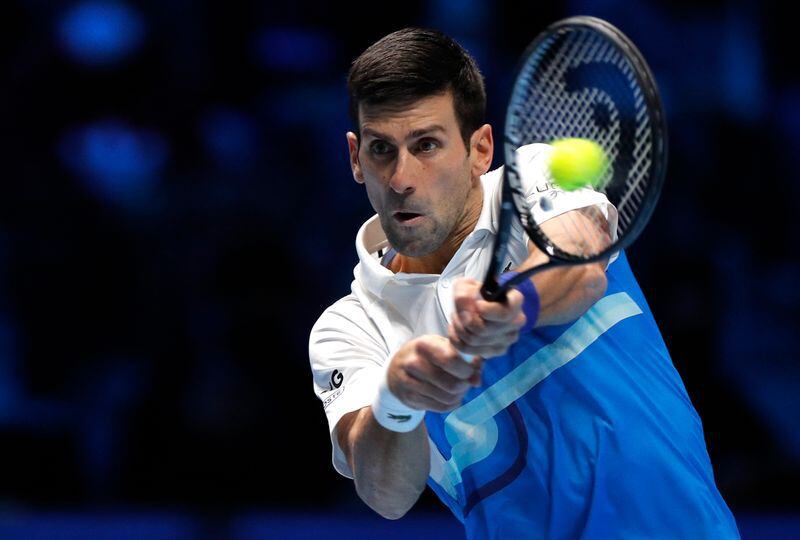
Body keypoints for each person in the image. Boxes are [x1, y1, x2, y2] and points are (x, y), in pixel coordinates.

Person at [309, 27, 739, 539]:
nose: (401, 178)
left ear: (480, 149)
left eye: (426, 144)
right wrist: (397, 397)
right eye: (382, 150)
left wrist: (515, 304)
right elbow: (387, 495)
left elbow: (577, 266)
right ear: (355, 157)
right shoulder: (349, 326)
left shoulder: (533, 174)